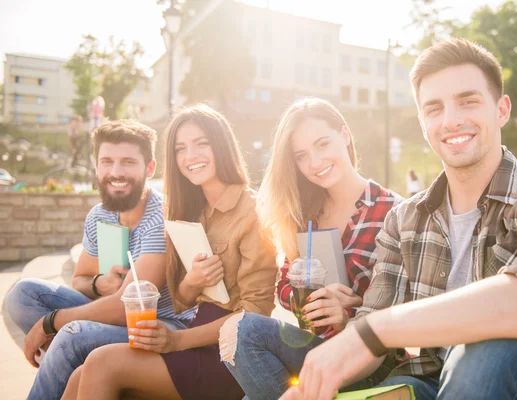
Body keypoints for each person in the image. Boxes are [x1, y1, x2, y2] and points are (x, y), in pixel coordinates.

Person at [282, 39, 517, 400]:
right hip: (427, 387)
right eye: (434, 108)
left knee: (484, 351)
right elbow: (368, 339)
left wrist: (373, 330)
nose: (450, 120)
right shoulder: (404, 220)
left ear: (501, 109)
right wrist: (318, 380)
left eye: (468, 101)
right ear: (422, 122)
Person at [63, 104, 279, 400]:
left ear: (222, 144)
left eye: (201, 143)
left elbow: (257, 312)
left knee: (102, 363)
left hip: (229, 356)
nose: (190, 156)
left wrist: (178, 340)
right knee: (79, 376)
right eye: (180, 149)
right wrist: (193, 282)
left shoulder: (252, 211)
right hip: (193, 338)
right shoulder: (189, 212)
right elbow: (182, 301)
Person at [220, 98, 403, 399]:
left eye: (322, 144)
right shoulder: (306, 215)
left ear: (344, 136)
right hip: (316, 349)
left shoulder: (394, 211)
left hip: (371, 360)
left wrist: (351, 311)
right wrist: (310, 294)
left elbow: (405, 308)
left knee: (242, 331)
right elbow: (283, 288)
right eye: (302, 156)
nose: (315, 163)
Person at [5, 120, 195, 400]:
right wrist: (99, 283)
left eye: (128, 162)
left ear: (150, 168)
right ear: (96, 166)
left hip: (162, 324)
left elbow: (124, 306)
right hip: (116, 317)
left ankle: (63, 369)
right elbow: (79, 279)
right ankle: (67, 372)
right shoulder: (100, 216)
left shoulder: (163, 217)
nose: (116, 172)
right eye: (107, 161)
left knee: (72, 334)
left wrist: (52, 322)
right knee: (22, 295)